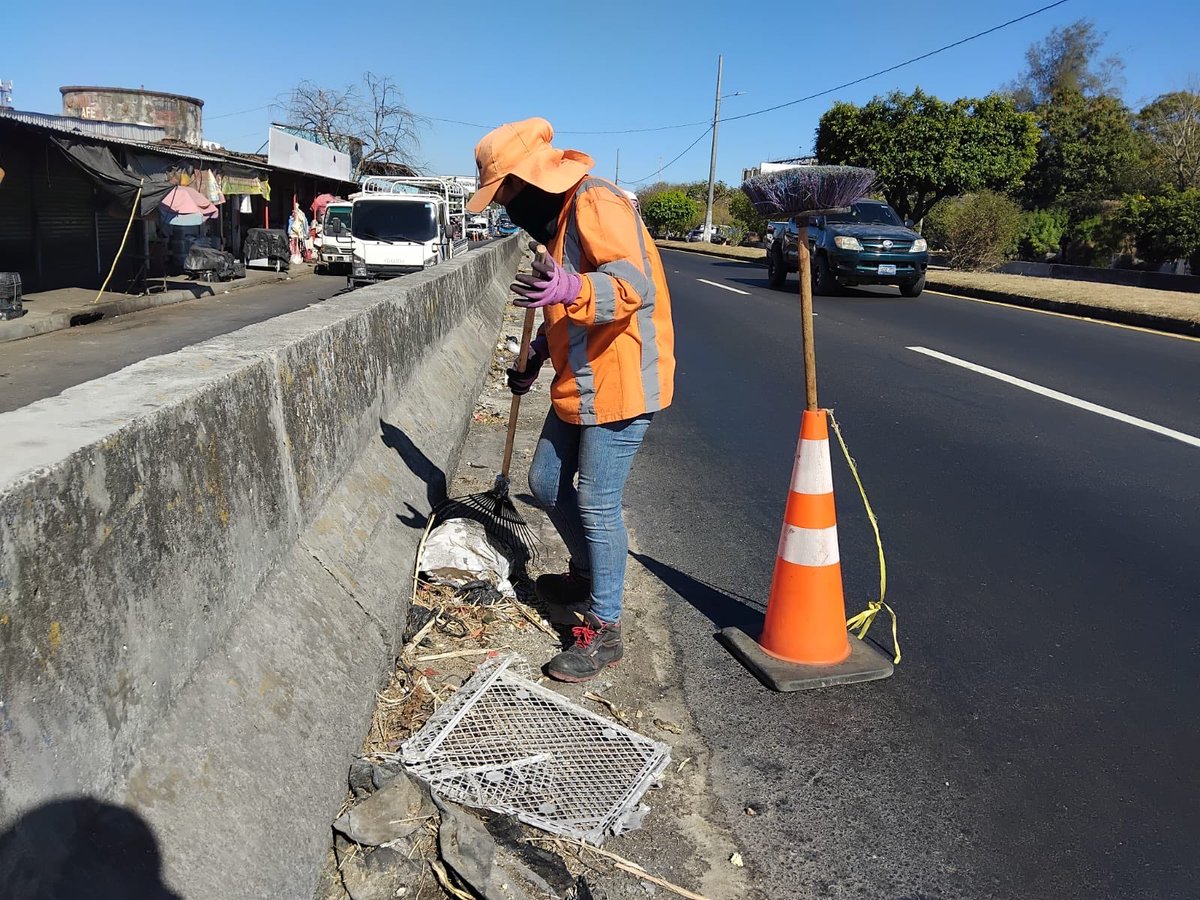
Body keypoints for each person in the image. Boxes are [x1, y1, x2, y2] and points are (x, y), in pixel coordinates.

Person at [465, 118, 675, 683]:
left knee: (596, 503)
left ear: (528, 180)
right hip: (581, 379)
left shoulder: (595, 202)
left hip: (621, 379)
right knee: (545, 481)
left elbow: (632, 287)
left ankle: (605, 628)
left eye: (504, 193)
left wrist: (571, 287)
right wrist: (538, 351)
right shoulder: (558, 222)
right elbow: (564, 309)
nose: (503, 206)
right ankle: (586, 572)